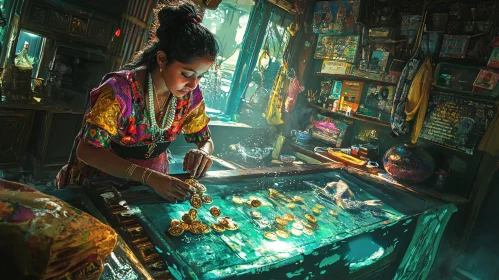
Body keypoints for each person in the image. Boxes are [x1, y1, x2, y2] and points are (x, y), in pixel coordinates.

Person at [56, 0, 218, 203]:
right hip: (105, 181)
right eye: (186, 73)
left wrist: (203, 152)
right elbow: (87, 150)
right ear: (161, 59)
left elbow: (205, 139)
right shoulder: (119, 92)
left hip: (156, 183)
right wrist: (148, 177)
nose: (194, 84)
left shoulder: (189, 96)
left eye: (201, 76)